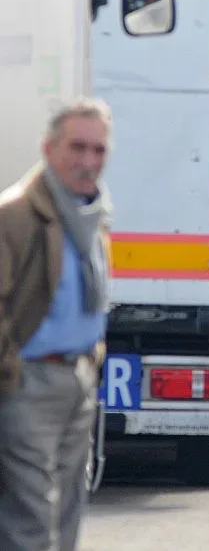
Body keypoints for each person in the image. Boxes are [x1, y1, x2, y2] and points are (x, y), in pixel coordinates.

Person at [0, 97, 113, 551]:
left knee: (68, 512)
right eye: (77, 148)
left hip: (77, 378)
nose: (88, 162)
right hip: (29, 381)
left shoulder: (90, 213)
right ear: (49, 149)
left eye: (98, 150)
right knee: (30, 518)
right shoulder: (17, 215)